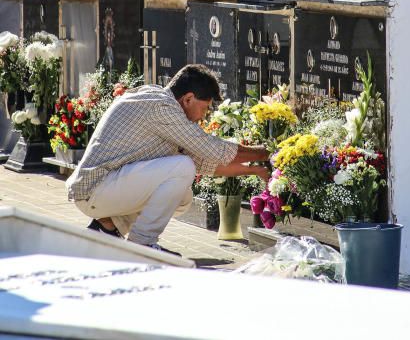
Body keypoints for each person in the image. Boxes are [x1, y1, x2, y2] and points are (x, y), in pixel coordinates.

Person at [66, 64, 270, 252]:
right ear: (188, 99)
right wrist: (265, 153)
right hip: (94, 190)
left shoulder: (161, 103)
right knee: (182, 168)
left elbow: (204, 163)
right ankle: (142, 246)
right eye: (205, 108)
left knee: (183, 195)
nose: (204, 116)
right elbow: (211, 149)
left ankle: (106, 227)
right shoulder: (162, 107)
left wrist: (255, 169)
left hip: (100, 189)